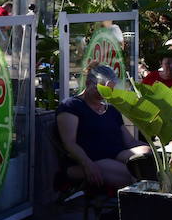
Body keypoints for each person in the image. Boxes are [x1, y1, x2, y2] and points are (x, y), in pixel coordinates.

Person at [57, 64, 149, 192]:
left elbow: (130, 142)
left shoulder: (111, 110)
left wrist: (158, 151)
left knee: (149, 158)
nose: (104, 94)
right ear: (89, 83)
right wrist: (87, 164)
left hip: (116, 154)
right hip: (89, 160)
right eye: (101, 89)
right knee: (137, 175)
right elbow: (69, 143)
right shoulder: (72, 106)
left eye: (109, 90)